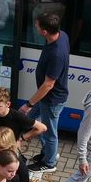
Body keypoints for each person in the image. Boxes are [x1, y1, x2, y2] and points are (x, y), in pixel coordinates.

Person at [19, 12, 70, 172]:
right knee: (40, 125)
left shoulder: (56, 54)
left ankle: (49, 163)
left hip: (51, 99)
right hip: (47, 98)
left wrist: (29, 104)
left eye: (37, 25)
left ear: (44, 32)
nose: (35, 26)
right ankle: (47, 154)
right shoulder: (62, 35)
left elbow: (48, 84)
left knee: (49, 132)